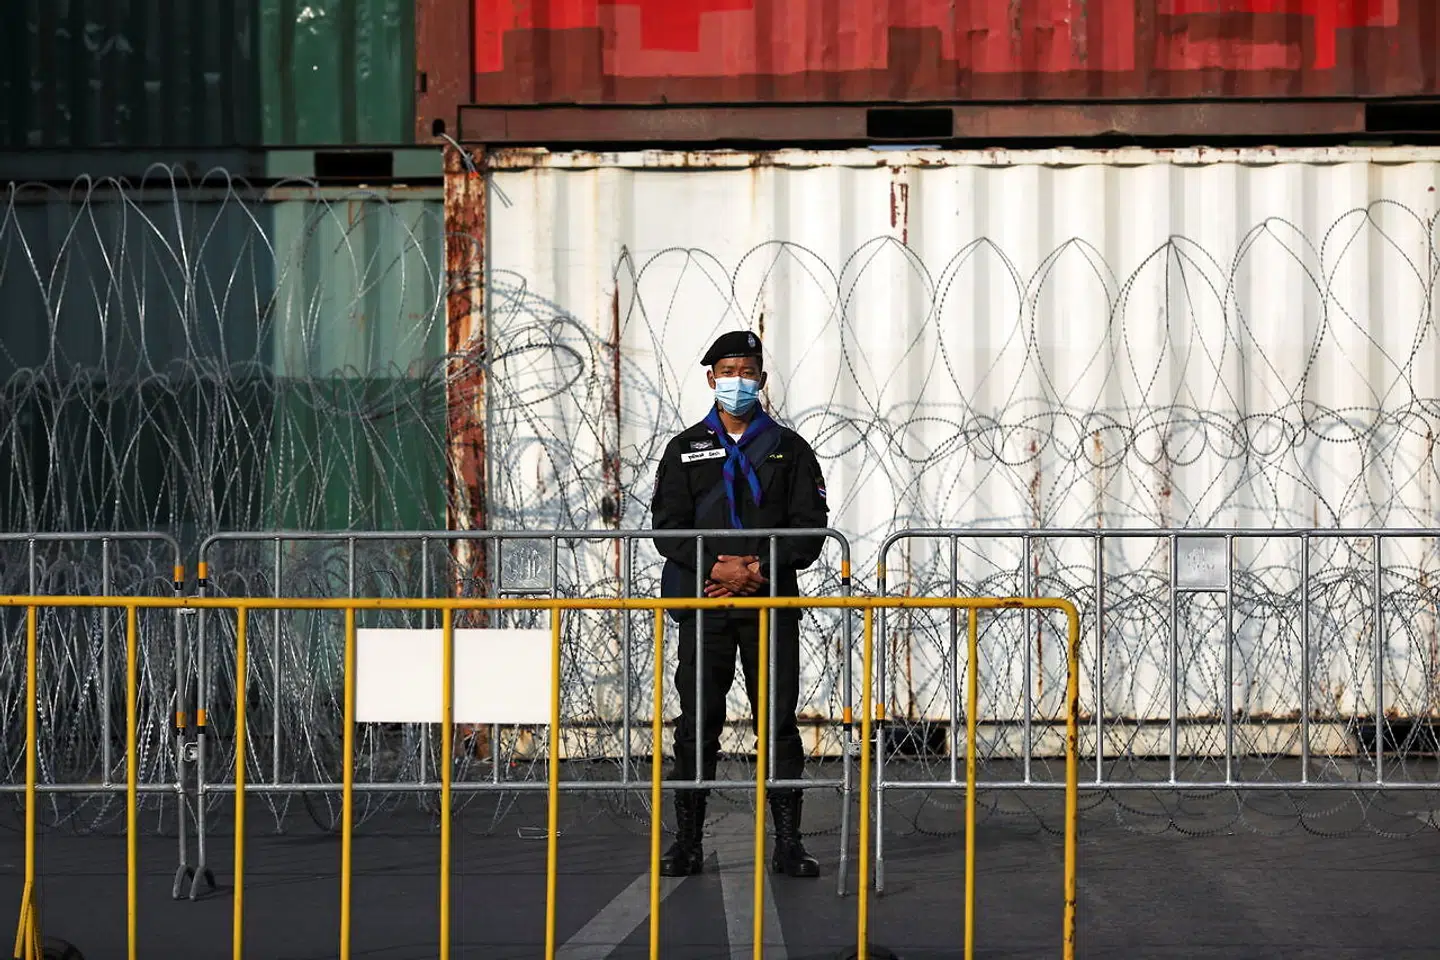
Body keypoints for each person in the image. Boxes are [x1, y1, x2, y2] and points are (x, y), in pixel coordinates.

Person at [649, 330, 830, 878]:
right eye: (728, 371)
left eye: (747, 371)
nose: (738, 382)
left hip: (768, 605)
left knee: (776, 723)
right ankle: (687, 842)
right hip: (704, 607)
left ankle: (789, 843)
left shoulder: (789, 449)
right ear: (711, 378)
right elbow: (667, 529)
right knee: (696, 723)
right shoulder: (685, 449)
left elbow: (810, 529)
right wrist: (716, 568)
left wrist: (757, 571)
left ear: (761, 380)